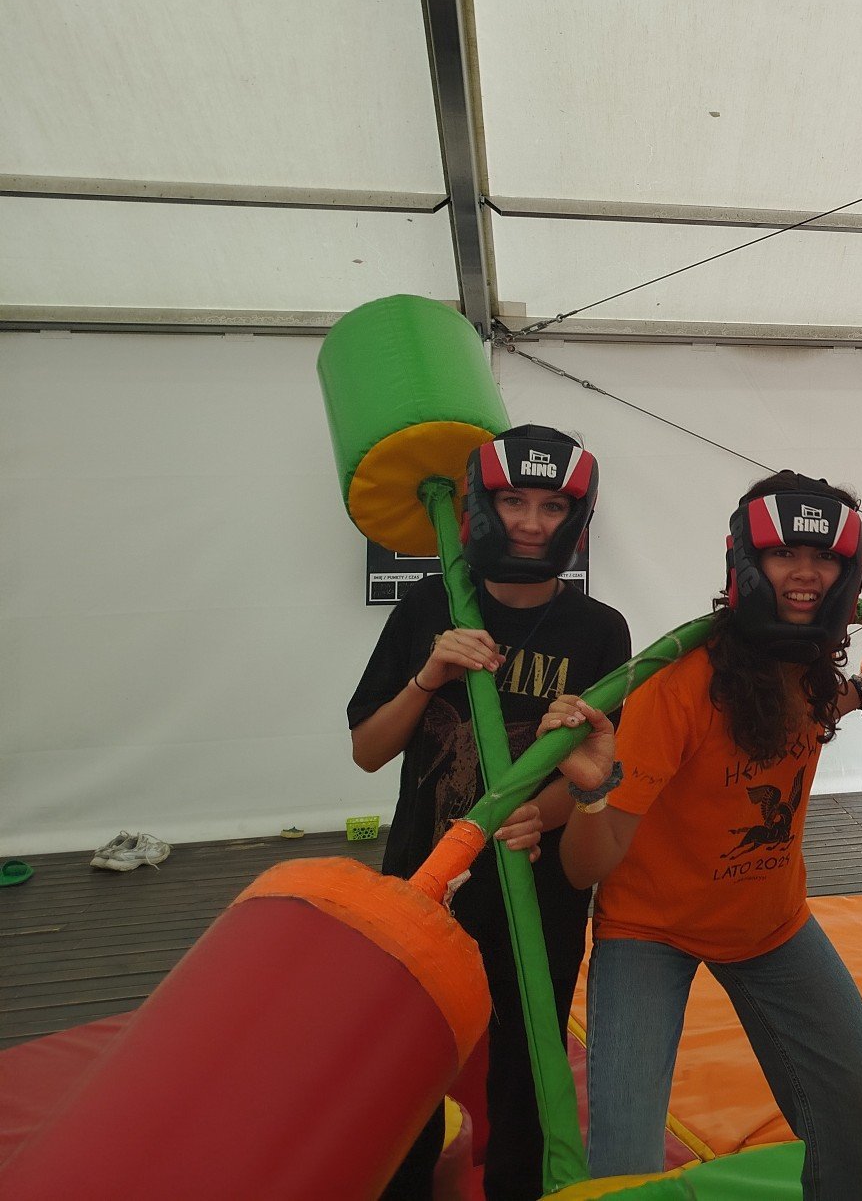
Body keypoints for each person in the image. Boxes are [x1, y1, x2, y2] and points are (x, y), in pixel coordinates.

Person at [539, 471, 862, 1197]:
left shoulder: (807, 668)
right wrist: (589, 794)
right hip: (650, 930)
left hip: (770, 923)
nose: (805, 574)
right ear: (746, 561)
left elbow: (806, 714)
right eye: (784, 553)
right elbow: (584, 871)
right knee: (625, 1168)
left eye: (824, 558)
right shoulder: (676, 687)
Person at [348, 426, 633, 1201]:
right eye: (514, 502)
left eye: (551, 506)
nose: (532, 523)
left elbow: (595, 771)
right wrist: (429, 674)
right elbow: (368, 750)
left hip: (537, 895)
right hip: (426, 882)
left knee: (528, 1070)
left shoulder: (599, 630)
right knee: (404, 1064)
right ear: (483, 505)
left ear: (576, 518)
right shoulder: (431, 606)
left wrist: (541, 813)